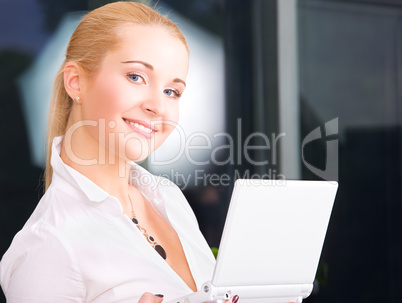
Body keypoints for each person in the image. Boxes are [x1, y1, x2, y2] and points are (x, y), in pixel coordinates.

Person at [0, 2, 239, 303]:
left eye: (172, 91)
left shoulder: (168, 198)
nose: (157, 106)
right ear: (76, 81)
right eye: (136, 77)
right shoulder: (49, 244)